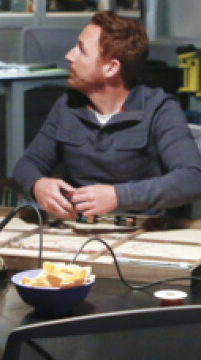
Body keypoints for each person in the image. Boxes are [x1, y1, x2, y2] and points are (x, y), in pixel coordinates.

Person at [14, 11, 201, 218]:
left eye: (81, 50)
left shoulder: (159, 109)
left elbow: (193, 178)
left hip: (143, 228)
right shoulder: (67, 106)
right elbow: (27, 164)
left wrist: (118, 197)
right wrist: (38, 185)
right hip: (79, 227)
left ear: (111, 68)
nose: (69, 55)